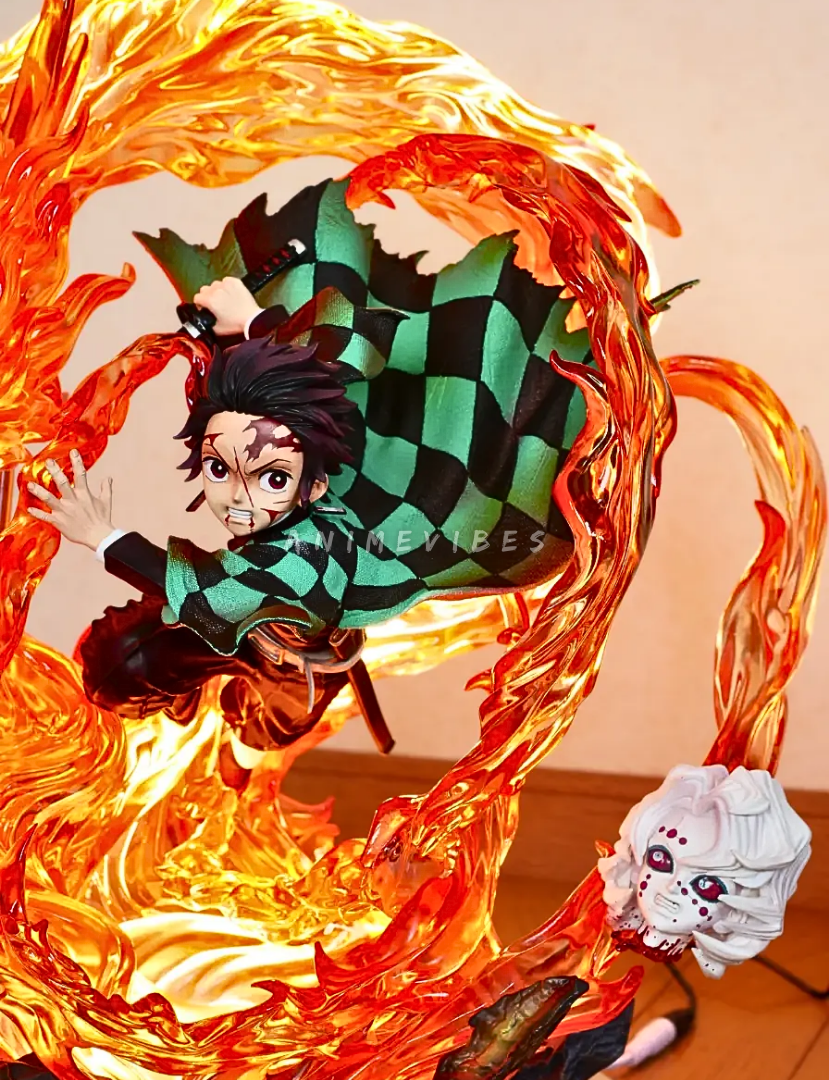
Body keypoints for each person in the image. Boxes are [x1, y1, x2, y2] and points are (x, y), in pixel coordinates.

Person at [28, 177, 599, 785]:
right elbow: (201, 587)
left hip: (368, 509)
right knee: (463, 406)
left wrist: (240, 335)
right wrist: (102, 536)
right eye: (221, 470)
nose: (236, 494)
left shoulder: (275, 568)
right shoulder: (294, 577)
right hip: (415, 520)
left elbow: (308, 388)